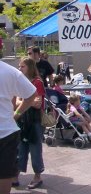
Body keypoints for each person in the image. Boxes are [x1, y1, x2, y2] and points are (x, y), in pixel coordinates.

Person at [0, 59, 36, 194]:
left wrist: (16, 113)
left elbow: (31, 94)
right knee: (4, 173)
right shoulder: (11, 72)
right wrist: (17, 114)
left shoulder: (11, 72)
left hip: (6, 132)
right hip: (6, 131)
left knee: (4, 174)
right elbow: (31, 94)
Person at [14, 57, 46, 189]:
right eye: (19, 66)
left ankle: (37, 176)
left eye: (22, 66)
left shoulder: (37, 82)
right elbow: (16, 101)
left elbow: (38, 105)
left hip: (35, 120)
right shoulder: (21, 82)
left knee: (35, 148)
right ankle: (15, 175)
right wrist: (28, 102)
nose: (19, 69)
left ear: (30, 68)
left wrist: (24, 101)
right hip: (22, 119)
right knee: (20, 148)